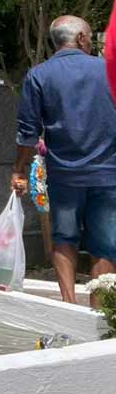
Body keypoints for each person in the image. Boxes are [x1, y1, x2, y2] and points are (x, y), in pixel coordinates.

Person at [13, 16, 116, 306]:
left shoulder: (39, 75)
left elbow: (28, 132)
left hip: (64, 176)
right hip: (108, 175)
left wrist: (19, 169)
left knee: (64, 239)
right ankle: (99, 313)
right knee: (105, 246)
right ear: (82, 38)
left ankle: (70, 306)